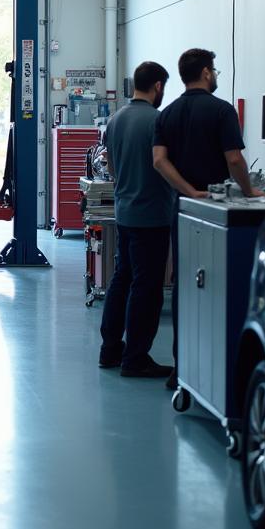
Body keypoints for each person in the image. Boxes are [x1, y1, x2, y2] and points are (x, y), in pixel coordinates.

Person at [153, 48, 264, 389]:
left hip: (184, 210)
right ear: (204, 73)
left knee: (185, 285)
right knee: (220, 289)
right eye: (213, 70)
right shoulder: (221, 111)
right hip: (218, 213)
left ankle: (180, 367)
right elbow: (234, 159)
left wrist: (187, 190)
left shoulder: (167, 114)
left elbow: (159, 161)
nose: (215, 74)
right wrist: (249, 192)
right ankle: (219, 371)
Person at [99, 61, 175, 379]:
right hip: (152, 216)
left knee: (121, 280)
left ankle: (110, 350)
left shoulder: (116, 120)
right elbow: (164, 165)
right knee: (147, 287)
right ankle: (136, 358)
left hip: (125, 212)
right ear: (158, 86)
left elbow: (111, 167)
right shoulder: (158, 121)